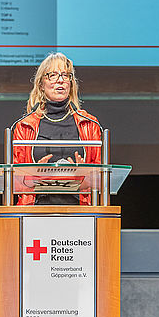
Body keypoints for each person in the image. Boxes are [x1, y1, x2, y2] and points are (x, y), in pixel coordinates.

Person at [11, 53, 103, 205]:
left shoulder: (89, 124)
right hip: (35, 209)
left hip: (80, 209)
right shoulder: (24, 126)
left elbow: (101, 177)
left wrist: (84, 174)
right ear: (41, 84)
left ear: (71, 83)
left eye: (65, 75)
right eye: (52, 75)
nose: (60, 80)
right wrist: (34, 175)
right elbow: (15, 181)